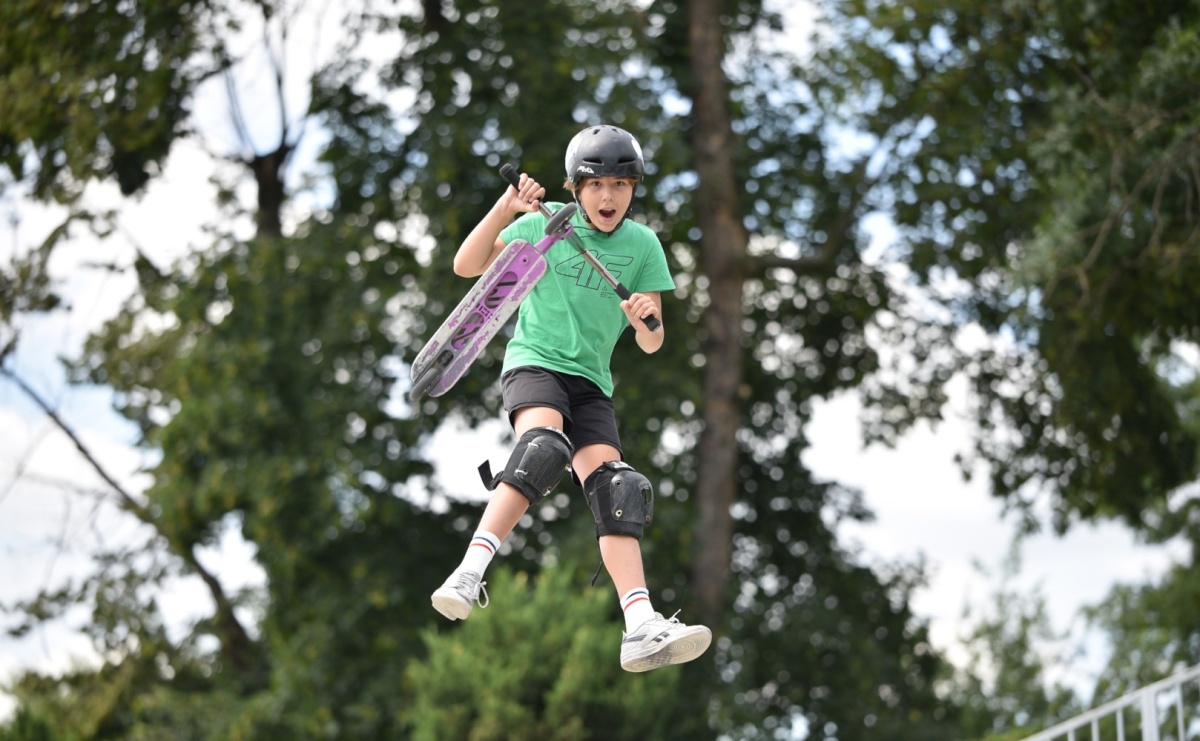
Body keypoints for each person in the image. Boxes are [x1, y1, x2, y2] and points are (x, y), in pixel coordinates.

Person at [430, 124, 712, 672]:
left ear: (633, 189)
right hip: (536, 364)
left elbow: (652, 342)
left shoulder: (643, 246)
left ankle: (640, 625)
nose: (609, 197)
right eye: (596, 184)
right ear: (576, 187)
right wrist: (506, 208)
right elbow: (467, 266)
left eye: (620, 185)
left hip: (592, 385)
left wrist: (645, 320)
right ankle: (468, 571)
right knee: (544, 447)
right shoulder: (546, 223)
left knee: (619, 488)